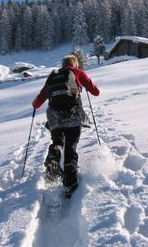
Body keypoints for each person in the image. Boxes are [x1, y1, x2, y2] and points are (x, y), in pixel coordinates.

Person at [32, 54, 100, 196]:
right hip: (72, 113)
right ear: (74, 64)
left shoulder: (53, 75)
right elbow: (95, 92)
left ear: (62, 64)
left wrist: (35, 104)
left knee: (57, 141)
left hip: (54, 114)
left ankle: (53, 159)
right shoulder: (77, 72)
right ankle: (70, 182)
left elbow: (41, 97)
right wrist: (86, 87)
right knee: (70, 146)